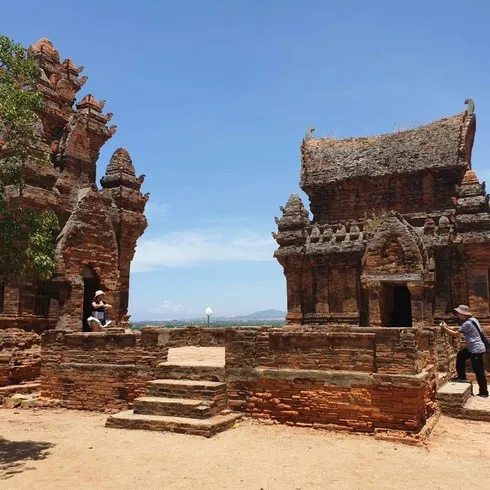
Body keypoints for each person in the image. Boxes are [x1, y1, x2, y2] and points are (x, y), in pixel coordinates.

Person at [440, 304, 488, 398]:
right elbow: (459, 330)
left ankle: (484, 392)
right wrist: (447, 326)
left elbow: (456, 334)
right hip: (474, 348)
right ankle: (461, 376)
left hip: (476, 349)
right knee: (461, 355)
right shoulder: (473, 320)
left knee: (479, 371)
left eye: (458, 313)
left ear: (463, 314)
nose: (457, 315)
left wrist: (444, 328)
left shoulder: (467, 323)